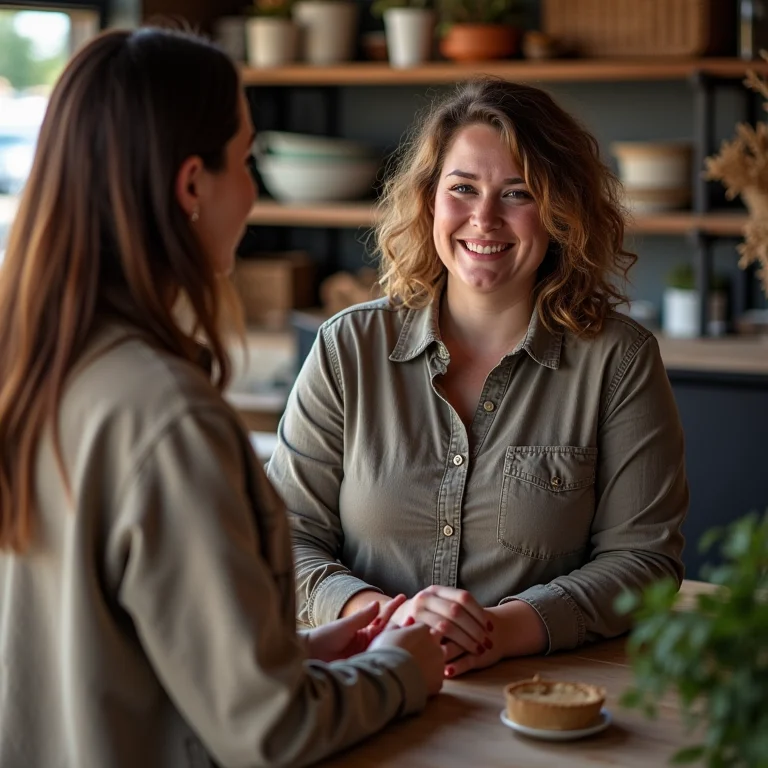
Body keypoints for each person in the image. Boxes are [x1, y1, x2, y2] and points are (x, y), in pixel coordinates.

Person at [0, 28, 445, 768]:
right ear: (190, 186)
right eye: (244, 161)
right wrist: (403, 669)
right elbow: (269, 733)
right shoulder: (165, 417)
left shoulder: (33, 369)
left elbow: (106, 654)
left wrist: (297, 654)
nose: (253, 189)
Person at [266, 77, 689, 678]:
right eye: (462, 188)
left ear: (560, 210)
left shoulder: (619, 363)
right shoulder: (348, 348)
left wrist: (501, 631)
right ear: (429, 200)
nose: (484, 219)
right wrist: (387, 620)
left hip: (539, 694)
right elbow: (284, 536)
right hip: (364, 680)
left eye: (517, 193)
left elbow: (643, 561)